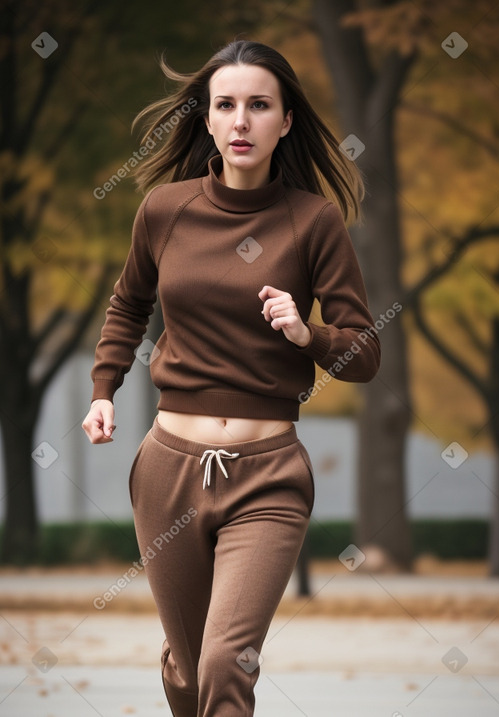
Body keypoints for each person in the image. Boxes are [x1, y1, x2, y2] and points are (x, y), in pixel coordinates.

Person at [82, 39, 380, 717]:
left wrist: (310, 335)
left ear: (285, 121)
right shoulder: (166, 210)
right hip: (168, 472)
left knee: (224, 663)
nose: (241, 120)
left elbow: (364, 352)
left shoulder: (314, 222)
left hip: (268, 475)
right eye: (226, 105)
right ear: (208, 120)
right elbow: (128, 303)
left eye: (259, 105)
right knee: (189, 673)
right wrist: (104, 390)